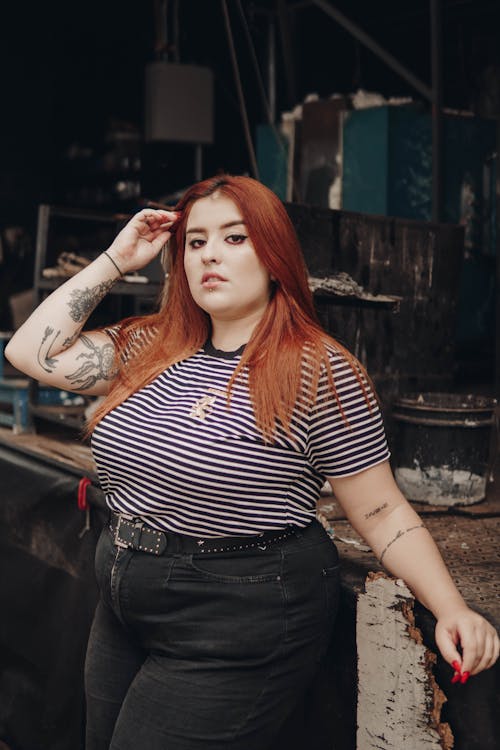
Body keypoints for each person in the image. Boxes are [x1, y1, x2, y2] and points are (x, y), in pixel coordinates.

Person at [6, 174, 499, 749]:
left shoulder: (320, 370)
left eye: (235, 238)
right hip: (124, 598)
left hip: (238, 612)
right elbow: (28, 351)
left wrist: (451, 608)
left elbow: (384, 509)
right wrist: (117, 259)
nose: (210, 254)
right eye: (195, 241)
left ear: (275, 255)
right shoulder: (150, 345)